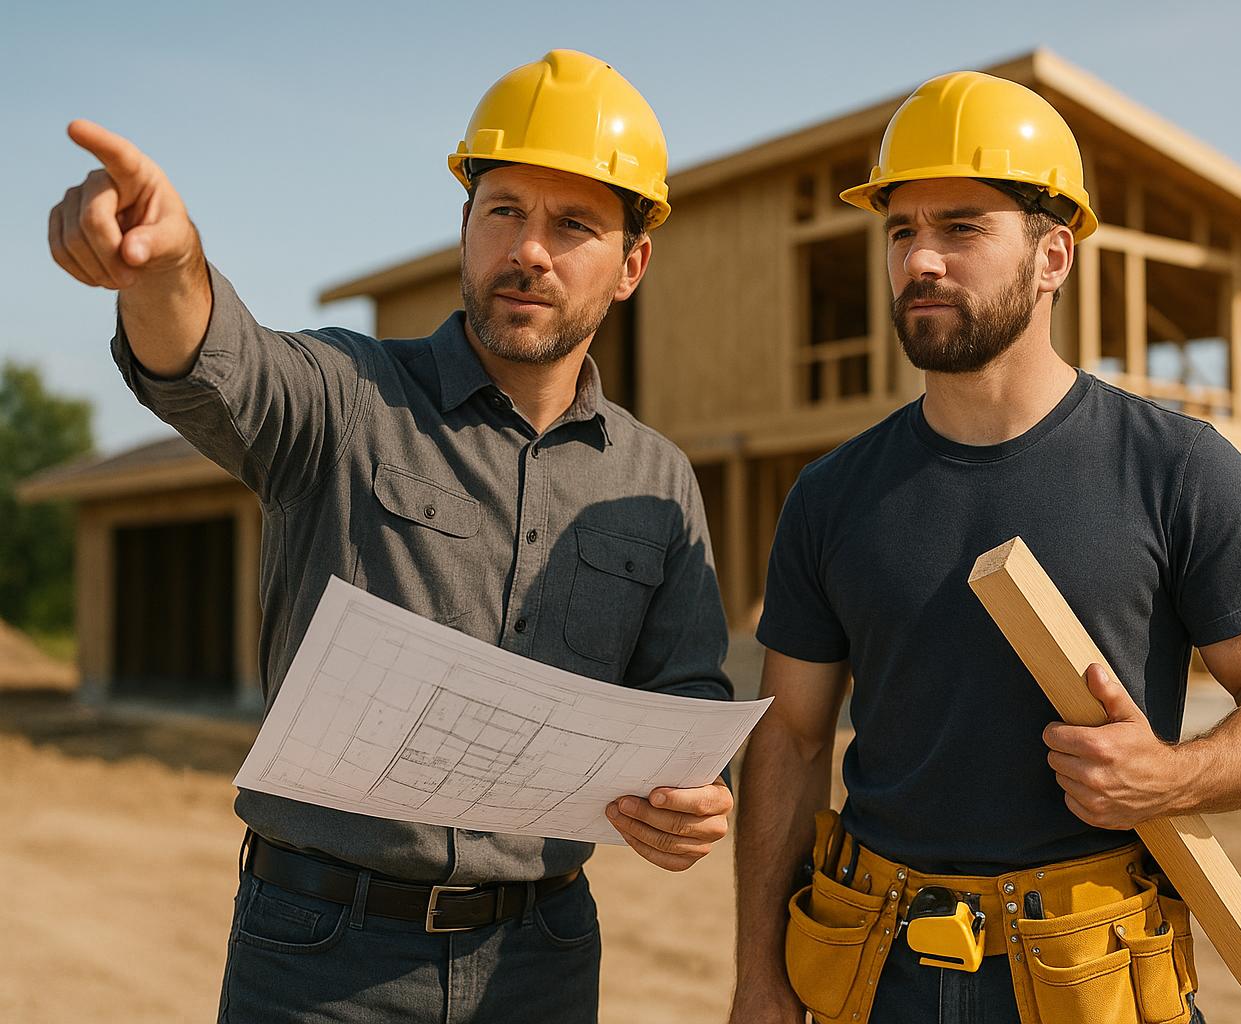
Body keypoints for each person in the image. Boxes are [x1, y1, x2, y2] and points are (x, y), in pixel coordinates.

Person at [48, 49, 734, 1023]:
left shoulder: (656, 481)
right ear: (465, 228)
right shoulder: (345, 398)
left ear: (632, 265)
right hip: (320, 959)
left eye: (573, 224)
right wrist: (167, 268)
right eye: (504, 211)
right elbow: (216, 360)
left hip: (539, 962)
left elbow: (688, 694)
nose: (529, 249)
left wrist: (696, 797)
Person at [729, 69, 1241, 1024]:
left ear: (1053, 256)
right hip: (872, 969)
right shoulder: (832, 495)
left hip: (1089, 973)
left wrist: (1171, 775)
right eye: (902, 231)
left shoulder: (1176, 469)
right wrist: (759, 975)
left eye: (961, 228)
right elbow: (793, 738)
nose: (920, 260)